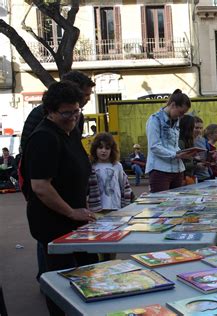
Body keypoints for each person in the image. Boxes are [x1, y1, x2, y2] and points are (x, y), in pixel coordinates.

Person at [22, 81, 98, 315]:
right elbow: (41, 186)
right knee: (62, 283)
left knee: (90, 274)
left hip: (77, 222)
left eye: (77, 111)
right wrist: (71, 212)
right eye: (66, 113)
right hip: (55, 224)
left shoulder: (70, 131)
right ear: (50, 112)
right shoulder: (44, 138)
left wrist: (82, 208)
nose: (73, 117)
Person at [20, 71, 95, 152]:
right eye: (86, 95)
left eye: (76, 112)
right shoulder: (39, 114)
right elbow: (27, 145)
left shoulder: (79, 117)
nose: (88, 99)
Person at [145, 89, 195, 193]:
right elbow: (154, 146)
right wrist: (176, 155)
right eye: (180, 112)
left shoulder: (175, 120)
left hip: (177, 169)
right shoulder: (155, 119)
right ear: (173, 105)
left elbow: (173, 145)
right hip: (160, 169)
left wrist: (183, 153)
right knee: (160, 204)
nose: (181, 116)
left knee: (177, 203)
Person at [87, 132, 132, 212]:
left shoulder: (117, 166)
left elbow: (123, 185)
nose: (103, 151)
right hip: (98, 209)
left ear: (112, 150)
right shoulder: (91, 166)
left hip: (115, 207)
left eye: (107, 148)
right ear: (95, 149)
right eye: (100, 147)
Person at [178, 115, 197, 184]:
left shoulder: (189, 141)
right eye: (195, 127)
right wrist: (196, 165)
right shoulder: (181, 142)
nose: (197, 130)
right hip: (184, 177)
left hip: (189, 176)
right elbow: (180, 163)